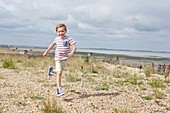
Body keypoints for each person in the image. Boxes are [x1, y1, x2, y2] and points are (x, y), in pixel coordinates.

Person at [43, 24, 76, 96]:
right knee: (59, 73)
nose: (61, 33)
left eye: (62, 31)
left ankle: (51, 70)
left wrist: (72, 53)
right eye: (59, 32)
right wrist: (46, 52)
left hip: (65, 58)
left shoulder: (69, 39)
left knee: (59, 71)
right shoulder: (56, 39)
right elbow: (52, 45)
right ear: (57, 32)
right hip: (58, 58)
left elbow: (74, 47)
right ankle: (59, 89)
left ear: (65, 31)